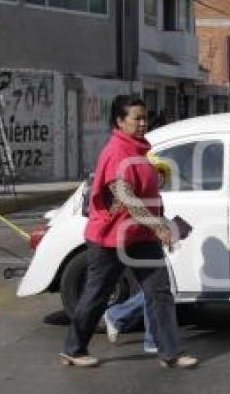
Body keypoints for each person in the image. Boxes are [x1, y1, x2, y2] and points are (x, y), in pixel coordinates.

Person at [60, 96, 197, 369]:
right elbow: (126, 197)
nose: (143, 123)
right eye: (137, 118)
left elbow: (146, 196)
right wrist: (158, 226)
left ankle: (169, 352)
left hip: (140, 236)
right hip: (112, 238)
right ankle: (74, 349)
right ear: (120, 122)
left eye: (145, 117)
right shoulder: (116, 152)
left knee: (159, 291)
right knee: (97, 294)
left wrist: (165, 223)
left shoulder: (139, 151)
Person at [103, 154, 173, 354]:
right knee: (154, 292)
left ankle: (120, 319)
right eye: (154, 172)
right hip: (133, 246)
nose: (158, 177)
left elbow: (157, 219)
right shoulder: (140, 195)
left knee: (154, 291)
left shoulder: (156, 197)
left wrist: (171, 229)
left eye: (161, 173)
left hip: (148, 246)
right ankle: (122, 320)